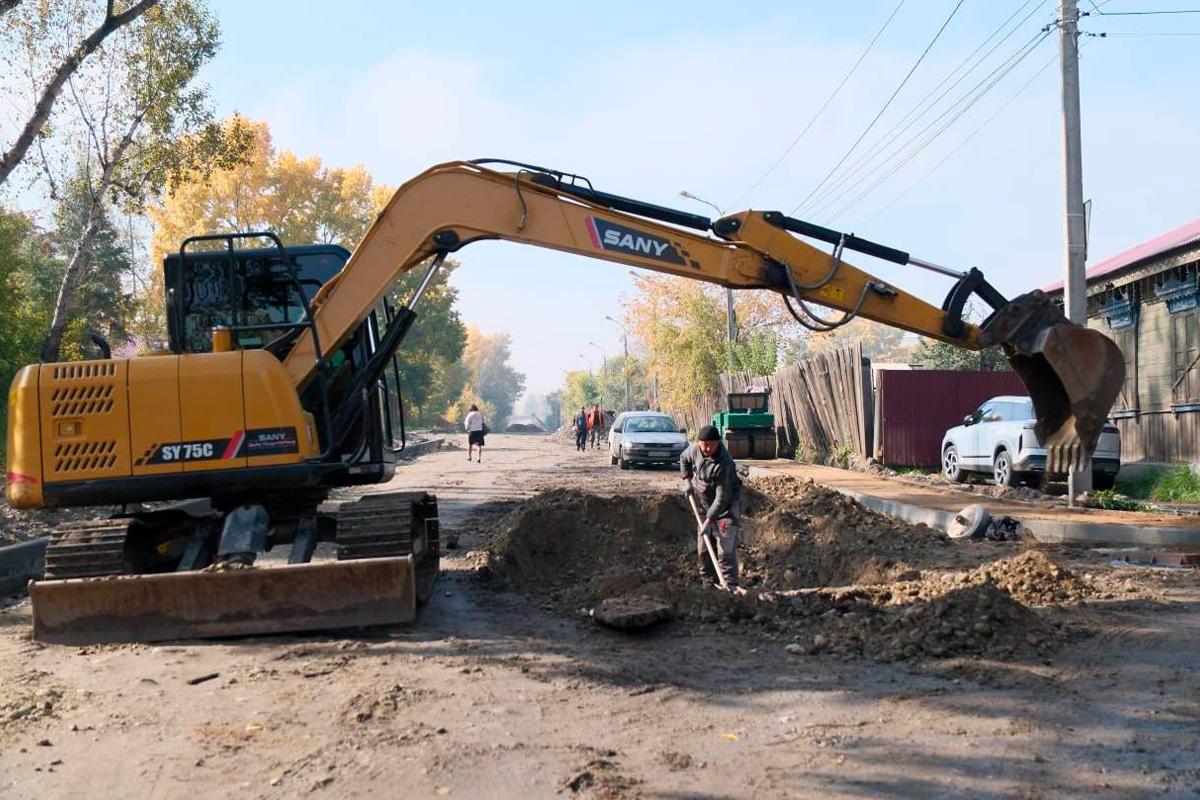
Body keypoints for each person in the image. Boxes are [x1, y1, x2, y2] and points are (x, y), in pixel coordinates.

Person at [680, 424, 742, 589]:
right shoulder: (694, 450)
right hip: (704, 504)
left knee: (724, 550)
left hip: (726, 509)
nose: (707, 448)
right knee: (704, 549)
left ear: (718, 443)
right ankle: (708, 585)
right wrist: (687, 480)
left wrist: (709, 521)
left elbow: (722, 499)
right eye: (704, 444)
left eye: (711, 445)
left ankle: (729, 587)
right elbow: (684, 459)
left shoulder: (725, 464)